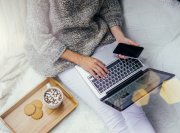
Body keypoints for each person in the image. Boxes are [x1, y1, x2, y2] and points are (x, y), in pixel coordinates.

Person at [25, 0, 155, 132]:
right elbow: (39, 37)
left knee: (131, 108)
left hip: (97, 38)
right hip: (63, 56)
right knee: (113, 117)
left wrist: (119, 37)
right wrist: (81, 60)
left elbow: (108, 5)